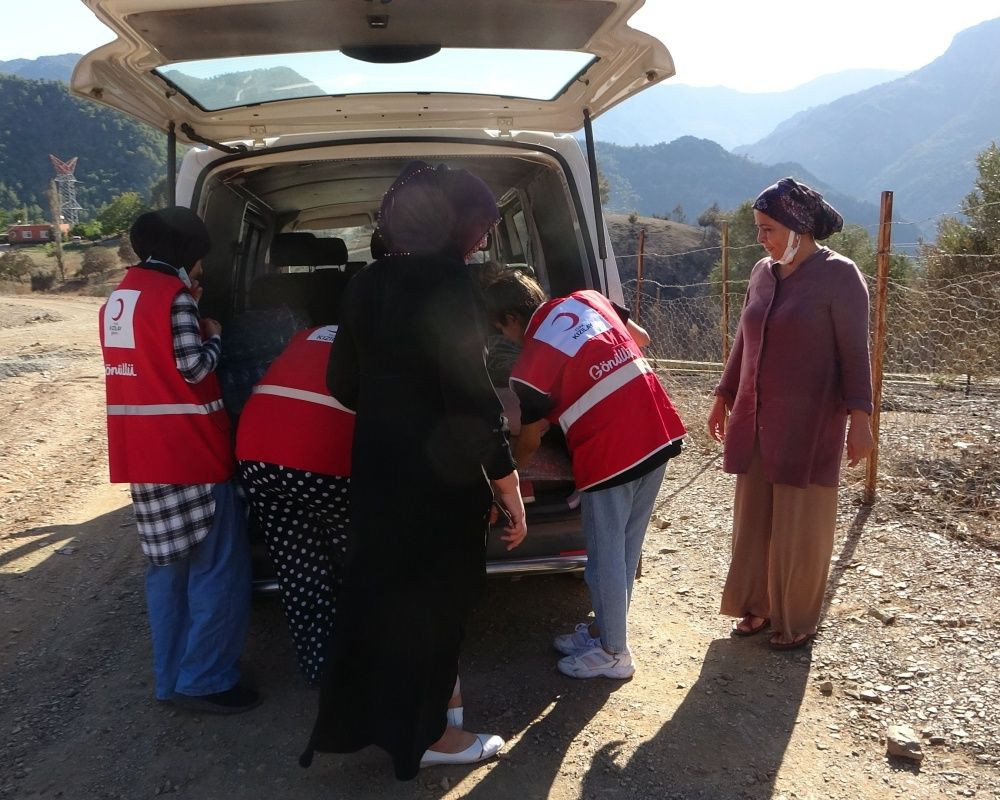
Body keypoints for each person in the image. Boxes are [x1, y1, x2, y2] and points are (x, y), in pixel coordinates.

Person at [300, 162, 527, 780]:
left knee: (391, 597)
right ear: (453, 222)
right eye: (480, 223)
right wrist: (507, 484)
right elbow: (473, 397)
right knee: (439, 601)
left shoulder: (367, 281)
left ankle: (434, 711)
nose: (483, 235)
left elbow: (341, 381)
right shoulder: (449, 283)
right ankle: (430, 737)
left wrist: (389, 412)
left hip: (377, 471)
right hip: (438, 481)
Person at [483, 271, 687, 679]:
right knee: (626, 551)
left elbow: (530, 439)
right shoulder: (588, 300)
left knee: (604, 558)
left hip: (612, 455)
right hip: (660, 432)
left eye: (502, 330)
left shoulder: (530, 368)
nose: (506, 339)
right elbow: (641, 338)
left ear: (509, 319)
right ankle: (603, 631)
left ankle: (614, 653)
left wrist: (506, 484)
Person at [99, 207, 258, 713]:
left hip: (142, 455)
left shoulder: (118, 298)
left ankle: (171, 679)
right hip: (189, 454)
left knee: (166, 573)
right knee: (217, 571)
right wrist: (213, 334)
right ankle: (207, 680)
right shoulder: (174, 299)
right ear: (189, 252)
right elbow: (191, 368)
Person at [708, 177, 874, 651]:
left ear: (798, 228)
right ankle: (755, 606)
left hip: (810, 422)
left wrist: (860, 421)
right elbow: (745, 339)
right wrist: (723, 394)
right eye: (758, 229)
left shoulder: (841, 276)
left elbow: (854, 355)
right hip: (755, 417)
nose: (761, 238)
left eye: (767, 228)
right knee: (754, 516)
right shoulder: (763, 272)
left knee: (801, 524)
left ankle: (796, 618)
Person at [235, 322, 353, 684]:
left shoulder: (307, 334)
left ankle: (322, 668)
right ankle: (371, 665)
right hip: (319, 461)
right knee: (361, 563)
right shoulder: (381, 340)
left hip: (255, 455)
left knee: (299, 567)